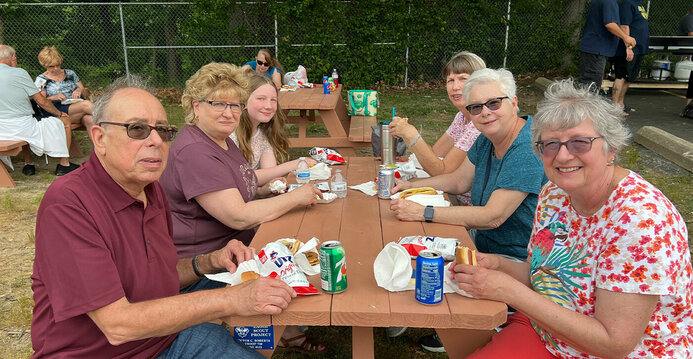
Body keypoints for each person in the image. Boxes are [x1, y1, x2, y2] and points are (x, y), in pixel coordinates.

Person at [31, 76, 297, 358]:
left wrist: (209, 261)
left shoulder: (151, 190)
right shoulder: (70, 203)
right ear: (99, 138)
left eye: (162, 130)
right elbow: (117, 324)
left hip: (164, 336)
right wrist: (230, 300)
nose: (156, 140)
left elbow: (161, 275)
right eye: (137, 129)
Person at [453, 79, 693, 358]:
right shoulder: (554, 194)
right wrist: (498, 265)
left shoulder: (641, 221)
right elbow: (542, 275)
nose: (563, 156)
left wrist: (510, 292)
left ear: (611, 148)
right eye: (550, 145)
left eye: (579, 142)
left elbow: (614, 344)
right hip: (550, 333)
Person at [159, 62, 326, 353]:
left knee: (311, 240)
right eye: (218, 104)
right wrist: (297, 197)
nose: (229, 112)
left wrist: (273, 188)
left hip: (238, 247)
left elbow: (246, 183)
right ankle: (275, 334)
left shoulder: (220, 140)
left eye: (235, 105)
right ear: (196, 106)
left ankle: (290, 327)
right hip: (208, 268)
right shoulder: (195, 151)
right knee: (308, 255)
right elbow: (237, 215)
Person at [390, 68, 548, 353]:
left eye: (494, 103)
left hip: (517, 261)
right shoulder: (488, 137)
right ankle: (400, 314)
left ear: (514, 102)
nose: (485, 112)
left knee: (421, 261)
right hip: (481, 244)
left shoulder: (527, 148)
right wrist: (411, 184)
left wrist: (422, 211)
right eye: (476, 107)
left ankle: (454, 326)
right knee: (409, 249)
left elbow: (492, 216)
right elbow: (458, 180)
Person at [388, 51, 485, 205]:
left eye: (463, 79)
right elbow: (434, 155)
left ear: (480, 83)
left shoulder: (479, 124)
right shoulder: (462, 117)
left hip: (469, 210)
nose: (455, 87)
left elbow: (443, 171)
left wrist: (411, 135)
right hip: (453, 196)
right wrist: (407, 136)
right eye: (450, 80)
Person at [0, 44, 79, 176]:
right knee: (64, 121)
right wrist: (59, 114)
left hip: (2, 130)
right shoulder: (19, 73)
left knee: (26, 123)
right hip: (22, 126)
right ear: (12, 57)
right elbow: (41, 101)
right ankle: (64, 164)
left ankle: (28, 163)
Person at [231, 73, 317, 186]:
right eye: (261, 99)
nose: (268, 106)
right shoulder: (230, 135)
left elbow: (270, 173)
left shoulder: (261, 134)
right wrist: (295, 164)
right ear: (244, 101)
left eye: (273, 100)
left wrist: (275, 183)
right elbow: (240, 179)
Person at [579, 0, 636, 91]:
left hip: (594, 49)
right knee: (590, 87)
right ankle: (585, 104)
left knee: (588, 85)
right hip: (596, 50)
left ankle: (584, 103)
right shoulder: (609, 1)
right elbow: (610, 24)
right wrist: (626, 37)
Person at [35, 46, 94, 133]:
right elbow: (41, 102)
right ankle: (113, 117)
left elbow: (84, 91)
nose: (56, 68)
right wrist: (53, 97)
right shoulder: (41, 80)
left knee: (90, 120)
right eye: (52, 66)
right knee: (86, 105)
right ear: (44, 65)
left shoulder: (70, 73)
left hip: (75, 106)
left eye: (58, 65)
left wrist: (79, 90)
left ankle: (100, 146)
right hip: (56, 111)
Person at [610, 0, 648, 116]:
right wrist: (629, 47)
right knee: (621, 75)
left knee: (629, 77)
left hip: (638, 48)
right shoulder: (627, 4)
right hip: (627, 49)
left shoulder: (639, 4)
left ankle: (621, 104)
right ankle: (614, 107)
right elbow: (624, 26)